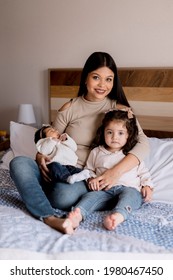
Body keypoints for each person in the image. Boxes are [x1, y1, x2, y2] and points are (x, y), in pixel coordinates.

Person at [10, 51, 149, 234]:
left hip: (81, 176)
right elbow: (51, 136)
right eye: (96, 77)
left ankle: (45, 203)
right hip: (55, 167)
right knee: (18, 163)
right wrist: (41, 153)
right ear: (85, 78)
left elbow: (143, 143)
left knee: (62, 197)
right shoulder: (70, 107)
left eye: (109, 79)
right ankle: (50, 217)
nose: (102, 85)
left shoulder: (120, 111)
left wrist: (114, 174)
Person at [65, 109, 153, 233]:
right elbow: (89, 170)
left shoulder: (131, 154)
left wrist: (147, 186)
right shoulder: (97, 152)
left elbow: (144, 173)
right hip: (104, 191)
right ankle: (77, 215)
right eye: (110, 132)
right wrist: (91, 179)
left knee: (131, 196)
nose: (114, 137)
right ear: (103, 133)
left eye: (121, 133)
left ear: (128, 135)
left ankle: (117, 216)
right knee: (89, 197)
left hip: (128, 188)